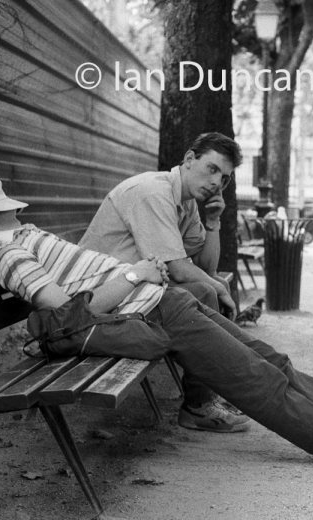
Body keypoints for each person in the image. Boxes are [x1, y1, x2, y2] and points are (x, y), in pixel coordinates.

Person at [0, 175, 313, 468]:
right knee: (258, 381)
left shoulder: (23, 235)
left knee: (273, 361)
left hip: (165, 300)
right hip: (151, 310)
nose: (8, 205)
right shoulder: (7, 251)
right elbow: (66, 307)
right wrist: (135, 274)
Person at [78, 132, 245, 432]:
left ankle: (209, 393)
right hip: (100, 301)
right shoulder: (152, 192)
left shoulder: (188, 201)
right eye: (212, 168)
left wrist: (214, 221)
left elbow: (208, 266)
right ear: (189, 159)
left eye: (224, 178)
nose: (217, 182)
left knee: (210, 288)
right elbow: (180, 271)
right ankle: (199, 405)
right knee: (207, 291)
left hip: (135, 293)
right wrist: (217, 286)